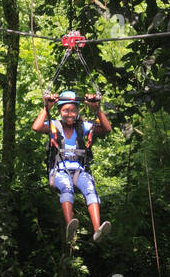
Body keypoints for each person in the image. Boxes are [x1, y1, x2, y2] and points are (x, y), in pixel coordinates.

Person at [32, 89, 112, 244]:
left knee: (89, 187)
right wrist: (47, 107)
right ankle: (70, 226)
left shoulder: (83, 127)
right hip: (59, 171)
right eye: (65, 111)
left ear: (77, 111)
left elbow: (107, 129)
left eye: (73, 111)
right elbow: (36, 127)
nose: (69, 114)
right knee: (67, 187)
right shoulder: (54, 125)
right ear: (60, 111)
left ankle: (97, 230)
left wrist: (97, 108)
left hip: (79, 170)